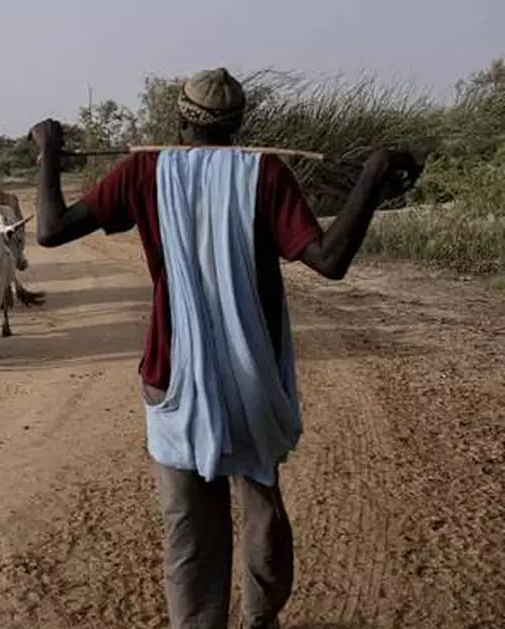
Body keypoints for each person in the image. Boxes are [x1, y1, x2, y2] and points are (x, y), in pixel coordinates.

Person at [27, 67, 424, 629]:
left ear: (179, 120)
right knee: (261, 505)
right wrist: (373, 176)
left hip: (173, 373)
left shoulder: (145, 170)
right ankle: (261, 620)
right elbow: (329, 260)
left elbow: (51, 229)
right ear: (239, 124)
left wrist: (48, 152)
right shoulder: (265, 173)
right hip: (251, 371)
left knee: (189, 526)